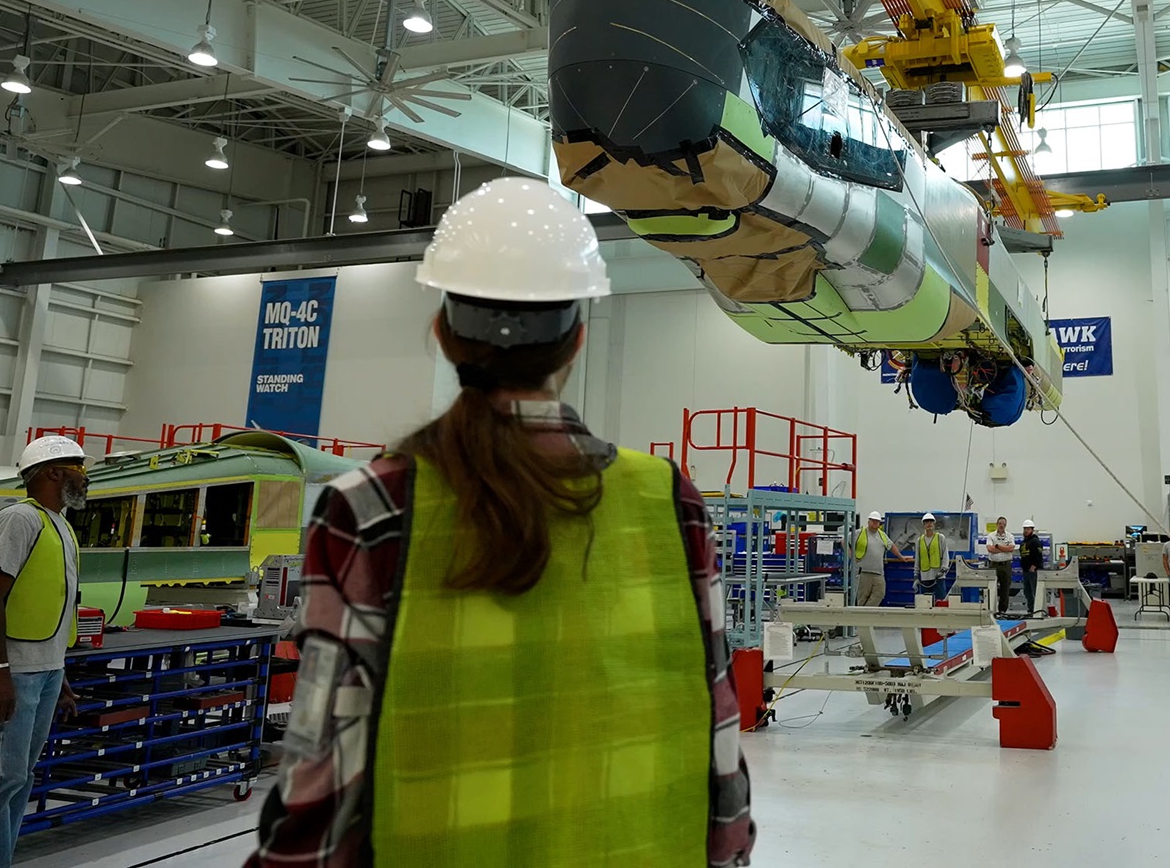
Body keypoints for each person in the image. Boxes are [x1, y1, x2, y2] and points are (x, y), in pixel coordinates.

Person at [250, 179, 753, 867]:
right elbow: (718, 718)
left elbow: (321, 760)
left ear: (443, 335)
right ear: (577, 339)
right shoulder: (670, 499)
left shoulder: (368, 507)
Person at [0, 435, 87, 868]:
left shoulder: (61, 526)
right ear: (53, 473)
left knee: (18, 779)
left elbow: (49, 603)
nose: (88, 478)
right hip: (13, 673)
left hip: (43, 670)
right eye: (80, 469)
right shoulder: (18, 521)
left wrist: (59, 673)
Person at [853, 510, 910, 606]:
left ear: (880, 523)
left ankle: (867, 614)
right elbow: (844, 541)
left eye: (877, 521)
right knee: (862, 597)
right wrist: (851, 556)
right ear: (868, 521)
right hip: (864, 572)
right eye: (873, 520)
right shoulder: (859, 533)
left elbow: (891, 546)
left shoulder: (882, 535)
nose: (875, 523)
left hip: (878, 573)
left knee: (880, 593)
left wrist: (901, 557)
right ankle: (862, 617)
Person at [985, 516, 1017, 616]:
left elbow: (1011, 548)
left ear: (1005, 525)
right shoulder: (991, 536)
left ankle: (1002, 611)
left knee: (1005, 589)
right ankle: (991, 609)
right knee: (991, 589)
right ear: (997, 524)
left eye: (1003, 524)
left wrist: (998, 546)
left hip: (1005, 566)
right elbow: (990, 549)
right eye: (1000, 523)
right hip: (993, 566)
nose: (1001, 525)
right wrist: (1004, 548)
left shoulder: (1010, 536)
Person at [914, 513, 948, 599]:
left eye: (931, 522)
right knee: (926, 602)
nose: (929, 524)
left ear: (934, 524)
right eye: (926, 522)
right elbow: (918, 558)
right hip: (925, 577)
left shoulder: (940, 538)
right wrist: (916, 576)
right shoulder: (919, 540)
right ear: (924, 525)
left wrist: (943, 569)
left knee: (940, 601)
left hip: (939, 576)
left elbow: (945, 554)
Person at [1018, 520, 1045, 614]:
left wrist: (1034, 566)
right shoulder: (1023, 542)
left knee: (1035, 591)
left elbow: (1039, 555)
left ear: (1032, 530)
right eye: (1025, 528)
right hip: (1026, 571)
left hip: (1034, 571)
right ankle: (1031, 609)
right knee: (1027, 592)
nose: (1026, 530)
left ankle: (1038, 610)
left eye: (1028, 529)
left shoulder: (1035, 541)